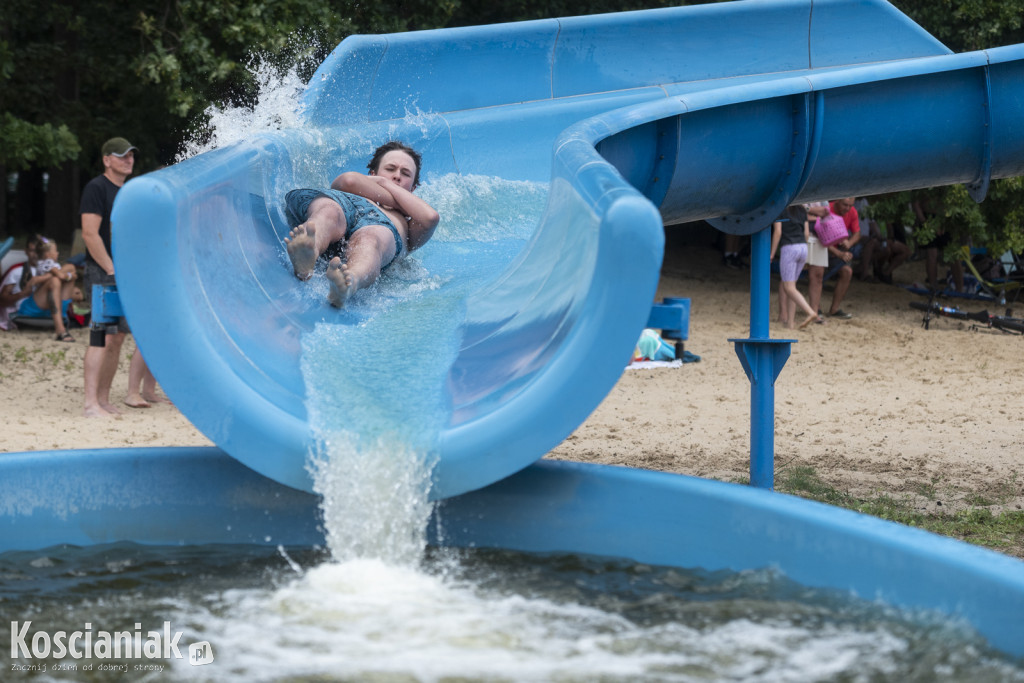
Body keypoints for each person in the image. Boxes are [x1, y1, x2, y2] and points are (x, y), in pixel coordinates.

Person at [283, 141, 440, 307]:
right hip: (342, 203)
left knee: (371, 239)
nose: (397, 176)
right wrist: (389, 193)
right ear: (372, 174)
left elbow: (430, 218)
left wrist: (385, 183)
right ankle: (308, 252)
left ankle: (348, 283)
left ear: (413, 188)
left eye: (406, 174)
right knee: (329, 212)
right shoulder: (355, 188)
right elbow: (348, 181)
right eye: (390, 169)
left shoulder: (409, 225)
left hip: (382, 226)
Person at [81, 136, 163, 416]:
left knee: (117, 339)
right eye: (121, 155)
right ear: (107, 160)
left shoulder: (128, 193)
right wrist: (111, 268)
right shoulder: (96, 188)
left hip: (124, 275)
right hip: (101, 272)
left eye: (131, 155)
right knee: (99, 337)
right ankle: (90, 403)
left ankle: (103, 399)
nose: (128, 159)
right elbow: (90, 234)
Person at [0, 235, 79, 340]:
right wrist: (22, 294)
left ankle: (60, 326)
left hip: (56, 302)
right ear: (26, 251)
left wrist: (69, 278)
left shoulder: (55, 267)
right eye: (33, 251)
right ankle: (60, 330)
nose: (36, 254)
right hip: (32, 307)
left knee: (70, 267)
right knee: (55, 280)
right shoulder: (17, 270)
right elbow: (2, 300)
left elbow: (75, 291)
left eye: (38, 250)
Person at [770, 209, 822, 329]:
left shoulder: (780, 210)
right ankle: (790, 323)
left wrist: (772, 253)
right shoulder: (802, 210)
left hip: (789, 247)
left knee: (788, 287)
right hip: (803, 247)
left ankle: (810, 312)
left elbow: (778, 232)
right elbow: (806, 234)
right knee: (792, 287)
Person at [853, 197, 909, 284]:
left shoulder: (865, 202)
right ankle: (865, 272)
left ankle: (883, 273)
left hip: (871, 238)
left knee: (896, 250)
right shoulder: (851, 204)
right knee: (875, 244)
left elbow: (873, 224)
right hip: (858, 240)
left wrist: (882, 238)